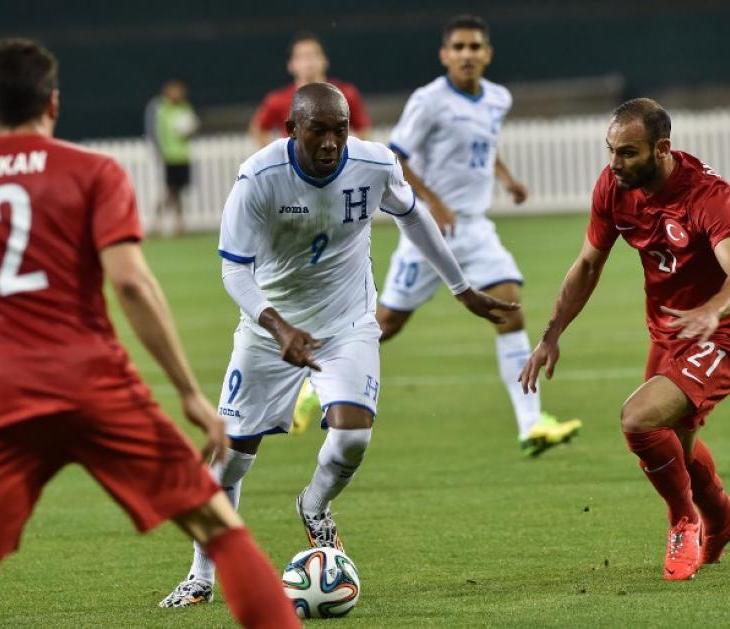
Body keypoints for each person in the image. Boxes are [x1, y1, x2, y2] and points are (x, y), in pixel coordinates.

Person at [0, 38, 299, 629]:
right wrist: (191, 393)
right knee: (218, 527)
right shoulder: (93, 172)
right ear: (55, 104)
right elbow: (133, 286)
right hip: (91, 381)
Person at [161, 81, 517, 609]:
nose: (331, 143)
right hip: (268, 332)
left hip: (347, 322)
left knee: (352, 439)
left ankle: (314, 504)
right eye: (318, 131)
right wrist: (279, 329)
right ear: (292, 131)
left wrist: (461, 288)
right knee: (230, 462)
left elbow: (413, 215)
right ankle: (200, 576)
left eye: (340, 130)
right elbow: (234, 273)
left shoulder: (373, 165)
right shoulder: (258, 178)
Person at [295, 15, 581, 455]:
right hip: (431, 230)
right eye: (459, 47)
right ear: (445, 54)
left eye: (475, 47)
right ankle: (317, 377)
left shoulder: (497, 99)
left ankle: (532, 423)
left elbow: (484, 144)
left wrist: (506, 179)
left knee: (510, 308)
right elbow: (398, 156)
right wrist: (432, 200)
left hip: (476, 227)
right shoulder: (429, 101)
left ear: (488, 53)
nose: (467, 54)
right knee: (386, 324)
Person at [520, 98, 730, 581]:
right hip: (672, 333)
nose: (615, 164)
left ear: (662, 149)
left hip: (728, 333)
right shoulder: (615, 187)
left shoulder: (708, 196)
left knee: (640, 421)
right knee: (674, 441)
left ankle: (684, 520)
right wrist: (551, 335)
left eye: (627, 153)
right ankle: (723, 517)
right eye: (611, 151)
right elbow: (588, 264)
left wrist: (711, 310)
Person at [249, 32, 370, 146]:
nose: (308, 62)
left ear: (325, 60)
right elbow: (258, 129)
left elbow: (363, 129)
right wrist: (280, 155)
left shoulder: (346, 94)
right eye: (301, 57)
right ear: (291, 64)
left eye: (313, 55)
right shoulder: (277, 100)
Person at [144, 80, 199, 236]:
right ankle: (157, 222)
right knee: (170, 190)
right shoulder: (162, 110)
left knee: (178, 191)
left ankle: (178, 224)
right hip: (169, 156)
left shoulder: (185, 108)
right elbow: (157, 133)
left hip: (183, 155)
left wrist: (190, 131)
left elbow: (192, 129)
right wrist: (160, 151)